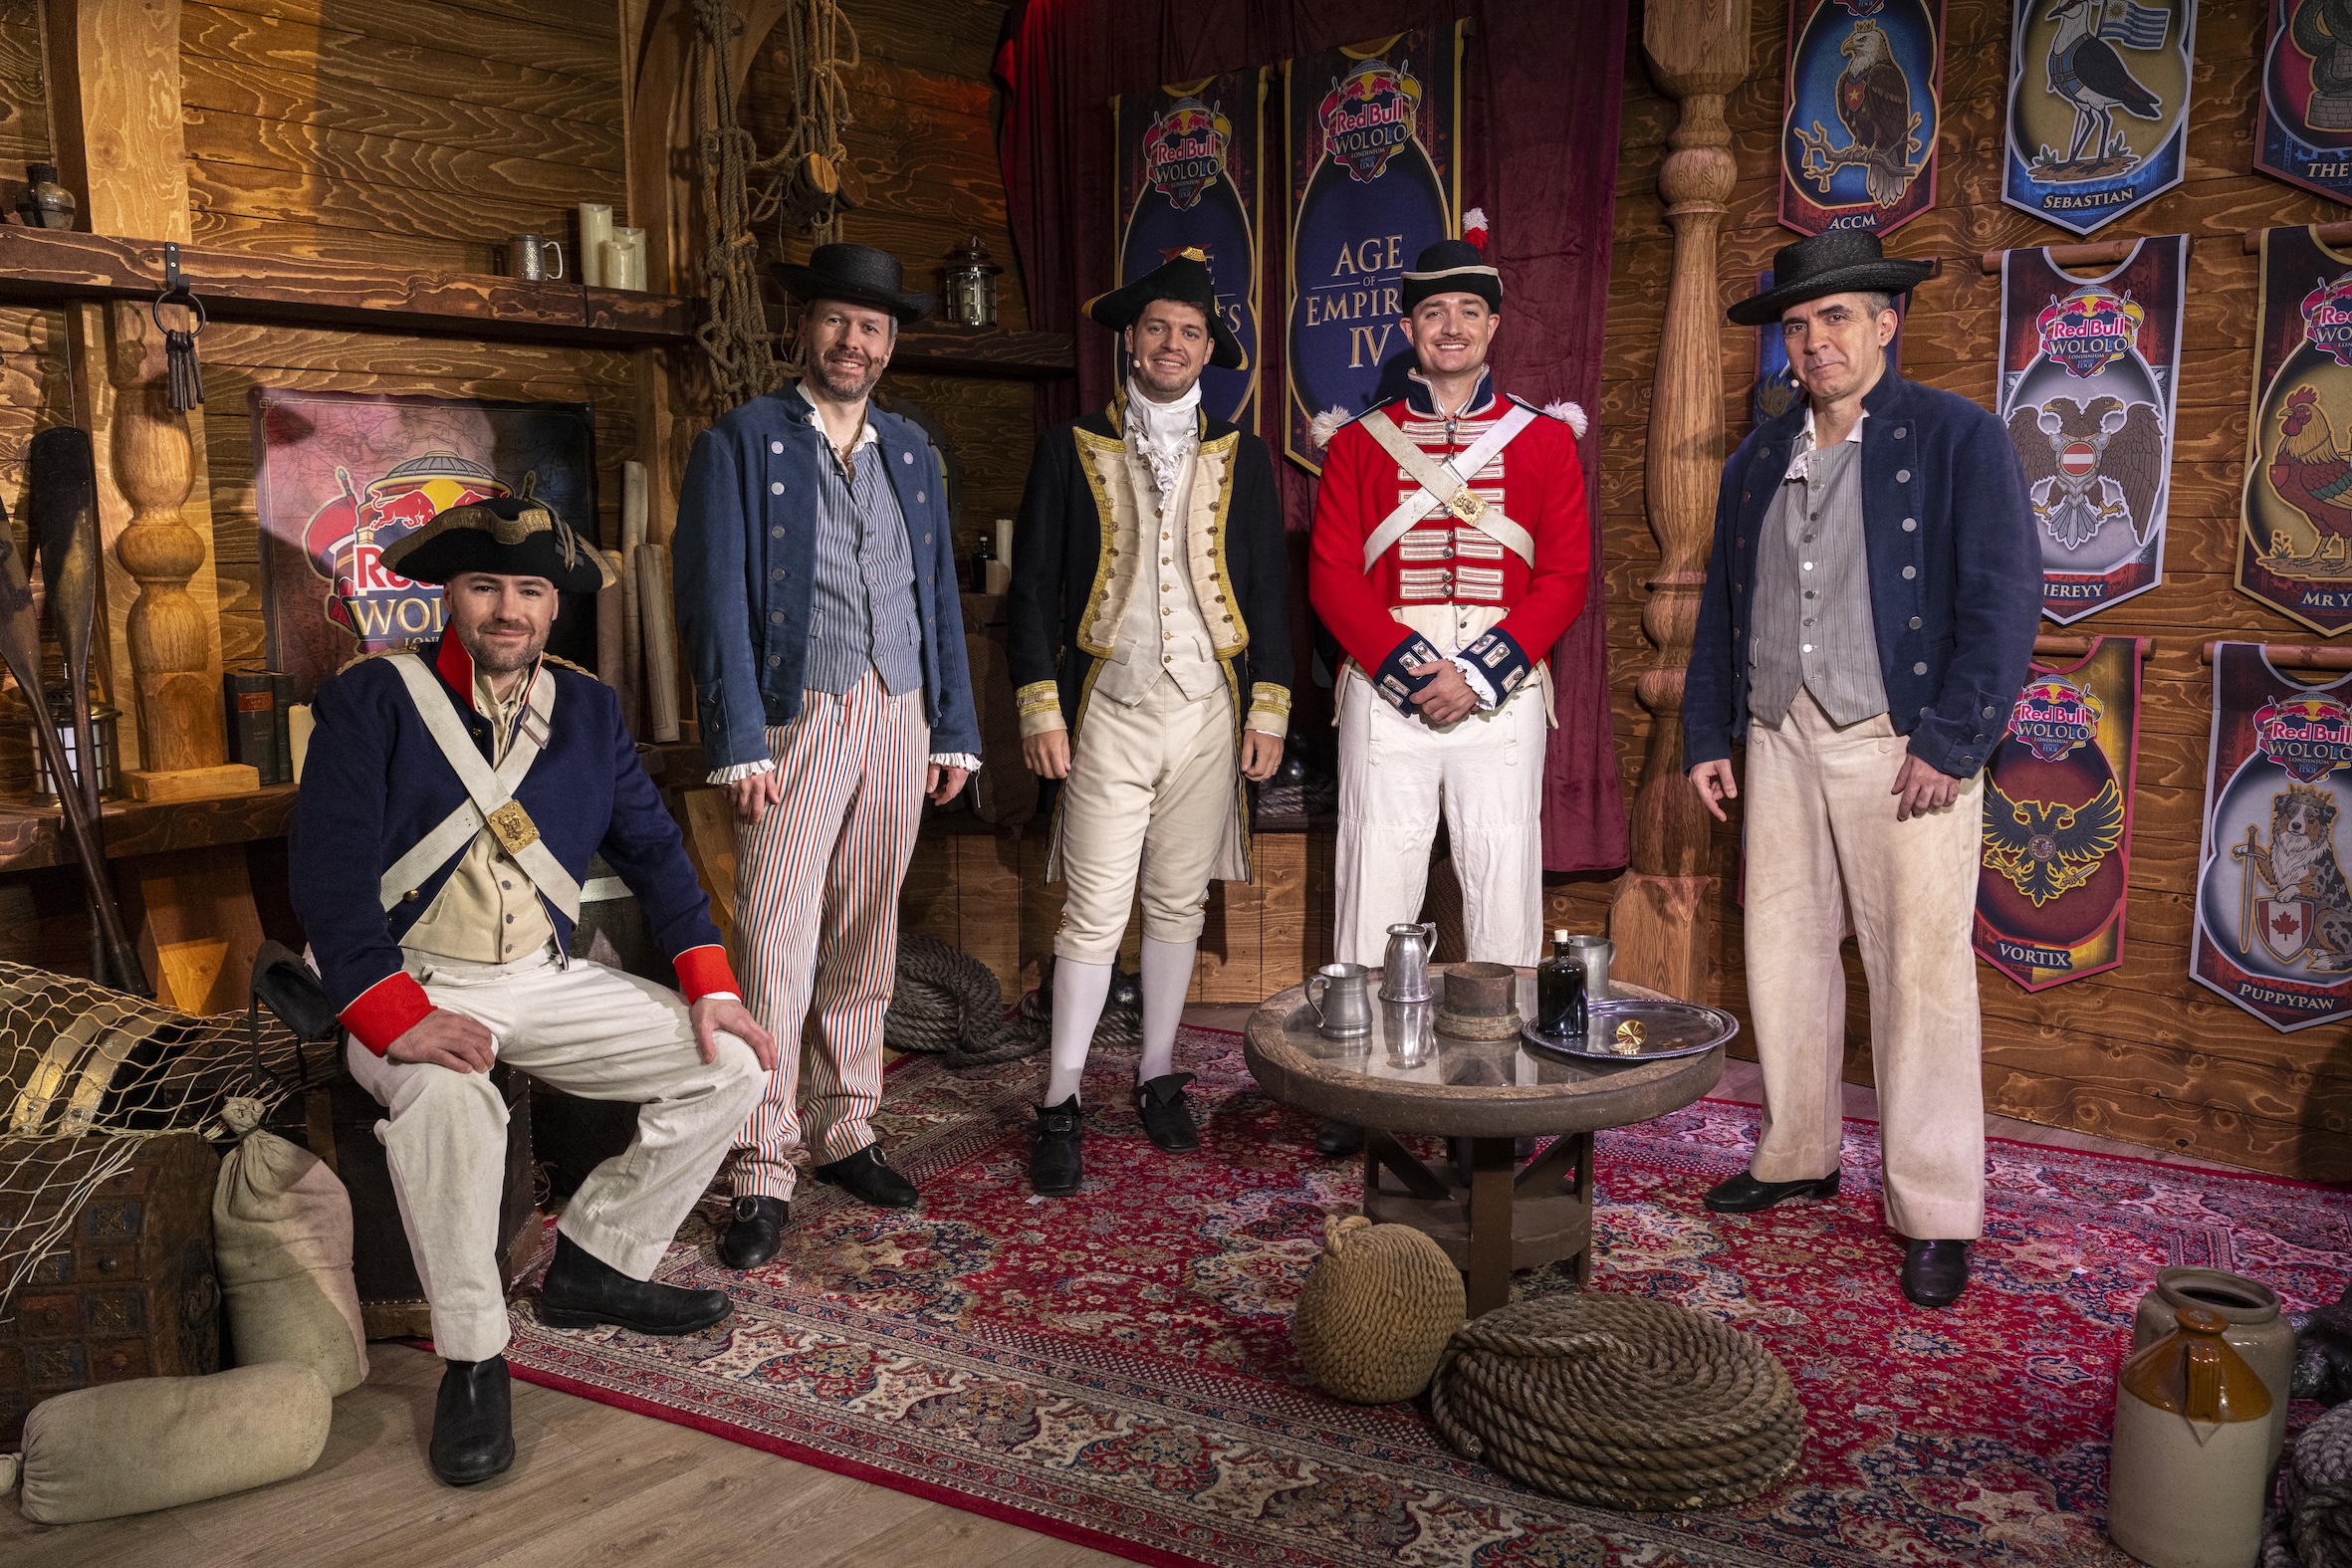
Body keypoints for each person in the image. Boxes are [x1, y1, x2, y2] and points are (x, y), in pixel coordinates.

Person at [292, 496, 777, 1487]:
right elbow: (328, 876)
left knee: (730, 1061)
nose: (506, 611)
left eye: (527, 591)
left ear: (552, 608)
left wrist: (709, 983)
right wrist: (396, 1018)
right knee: (448, 1101)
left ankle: (597, 1265)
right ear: (448, 597)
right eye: (484, 587)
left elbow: (654, 852)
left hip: (538, 978)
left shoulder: (589, 709)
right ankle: (473, 1357)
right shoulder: (372, 698)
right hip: (409, 976)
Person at [1685, 228, 2039, 1309]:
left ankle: (1934, 1209)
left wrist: (1951, 741)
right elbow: (1722, 613)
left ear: (1886, 321)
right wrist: (1711, 731)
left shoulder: (1954, 437)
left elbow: (2003, 594)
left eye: (1835, 318)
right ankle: (1797, 1153)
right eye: (1797, 325)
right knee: (1782, 947)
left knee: (1920, 978)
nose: (1814, 342)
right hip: (1779, 734)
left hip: (1901, 745)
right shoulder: (1756, 460)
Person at [673, 243, 982, 1270]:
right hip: (796, 712)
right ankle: (763, 1158)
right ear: (805, 328)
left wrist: (955, 726)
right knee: (774, 932)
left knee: (867, 924)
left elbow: (932, 592)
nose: (855, 342)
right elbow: (712, 600)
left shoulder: (912, 450)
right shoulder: (742, 442)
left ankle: (847, 1122)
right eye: (839, 322)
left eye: (874, 327)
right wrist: (736, 741)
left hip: (898, 709)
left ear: (891, 345)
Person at [1007, 250, 1291, 1196]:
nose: (1174, 345)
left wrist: (1271, 706)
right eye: (1159, 327)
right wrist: (1038, 704)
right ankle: (1062, 1097)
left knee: (1178, 902)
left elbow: (1265, 592)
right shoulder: (1067, 443)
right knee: (1093, 907)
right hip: (1107, 710)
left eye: (1192, 332)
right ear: (1132, 339)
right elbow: (1035, 590)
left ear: (1210, 350)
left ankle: (1160, 1071)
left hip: (1208, 709)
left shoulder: (1241, 454)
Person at [1305, 237, 1592, 1155]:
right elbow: (1333, 579)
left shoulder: (1545, 441)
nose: (1452, 327)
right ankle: (1361, 1086)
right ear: (1409, 327)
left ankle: (1491, 1090)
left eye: (1469, 312)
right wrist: (1411, 669)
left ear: (1494, 325)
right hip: (1390, 685)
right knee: (1374, 878)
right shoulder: (1357, 444)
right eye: (1434, 313)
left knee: (1502, 880)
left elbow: (1567, 575)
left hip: (1497, 691)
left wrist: (1476, 671)